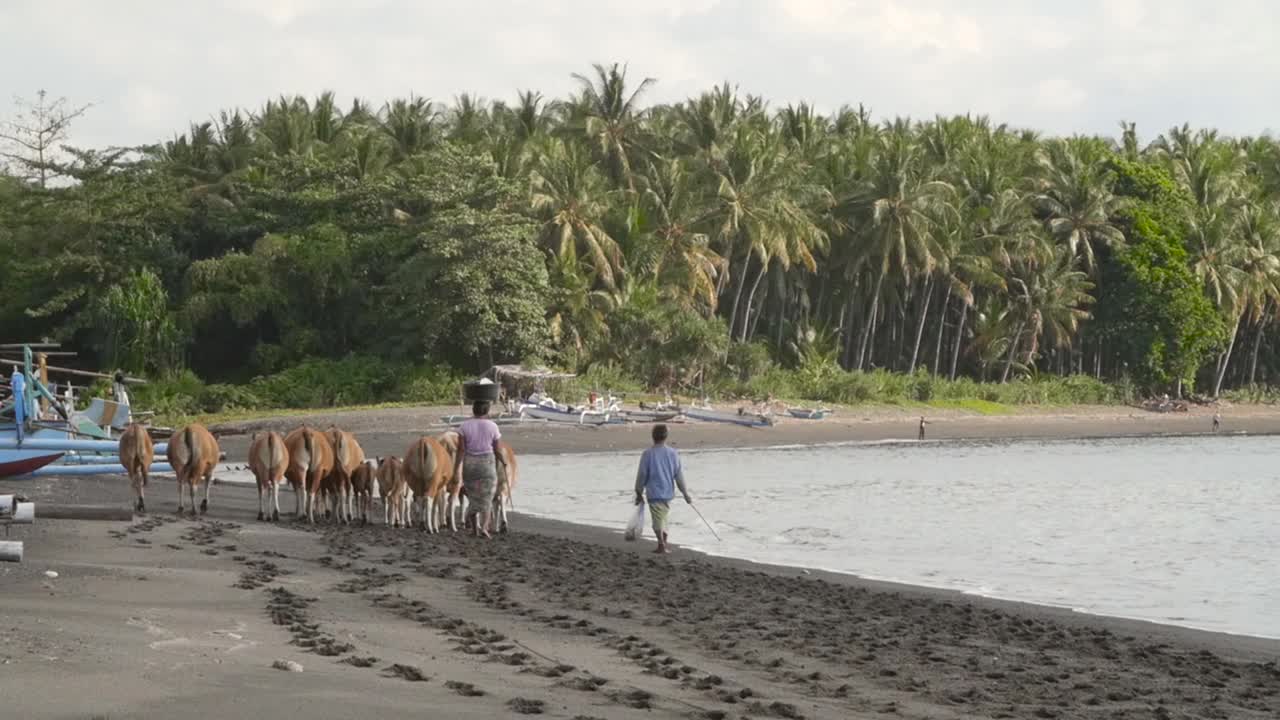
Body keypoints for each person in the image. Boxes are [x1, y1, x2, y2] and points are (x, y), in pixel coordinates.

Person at [634, 424, 692, 554]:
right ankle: (663, 543)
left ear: (653, 437)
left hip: (654, 492)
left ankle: (661, 544)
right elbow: (679, 476)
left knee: (658, 519)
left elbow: (642, 474)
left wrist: (638, 491)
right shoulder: (673, 453)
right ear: (666, 437)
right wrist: (685, 493)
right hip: (668, 492)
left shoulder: (648, 454)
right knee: (663, 518)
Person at [454, 399, 502, 538]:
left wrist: (457, 467)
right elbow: (497, 449)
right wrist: (503, 463)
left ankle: (475, 529)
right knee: (487, 497)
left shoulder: (464, 426)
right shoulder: (493, 426)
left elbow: (461, 450)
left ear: (473, 410)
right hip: (487, 463)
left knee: (473, 498)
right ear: (487, 411)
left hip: (470, 464)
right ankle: (484, 528)